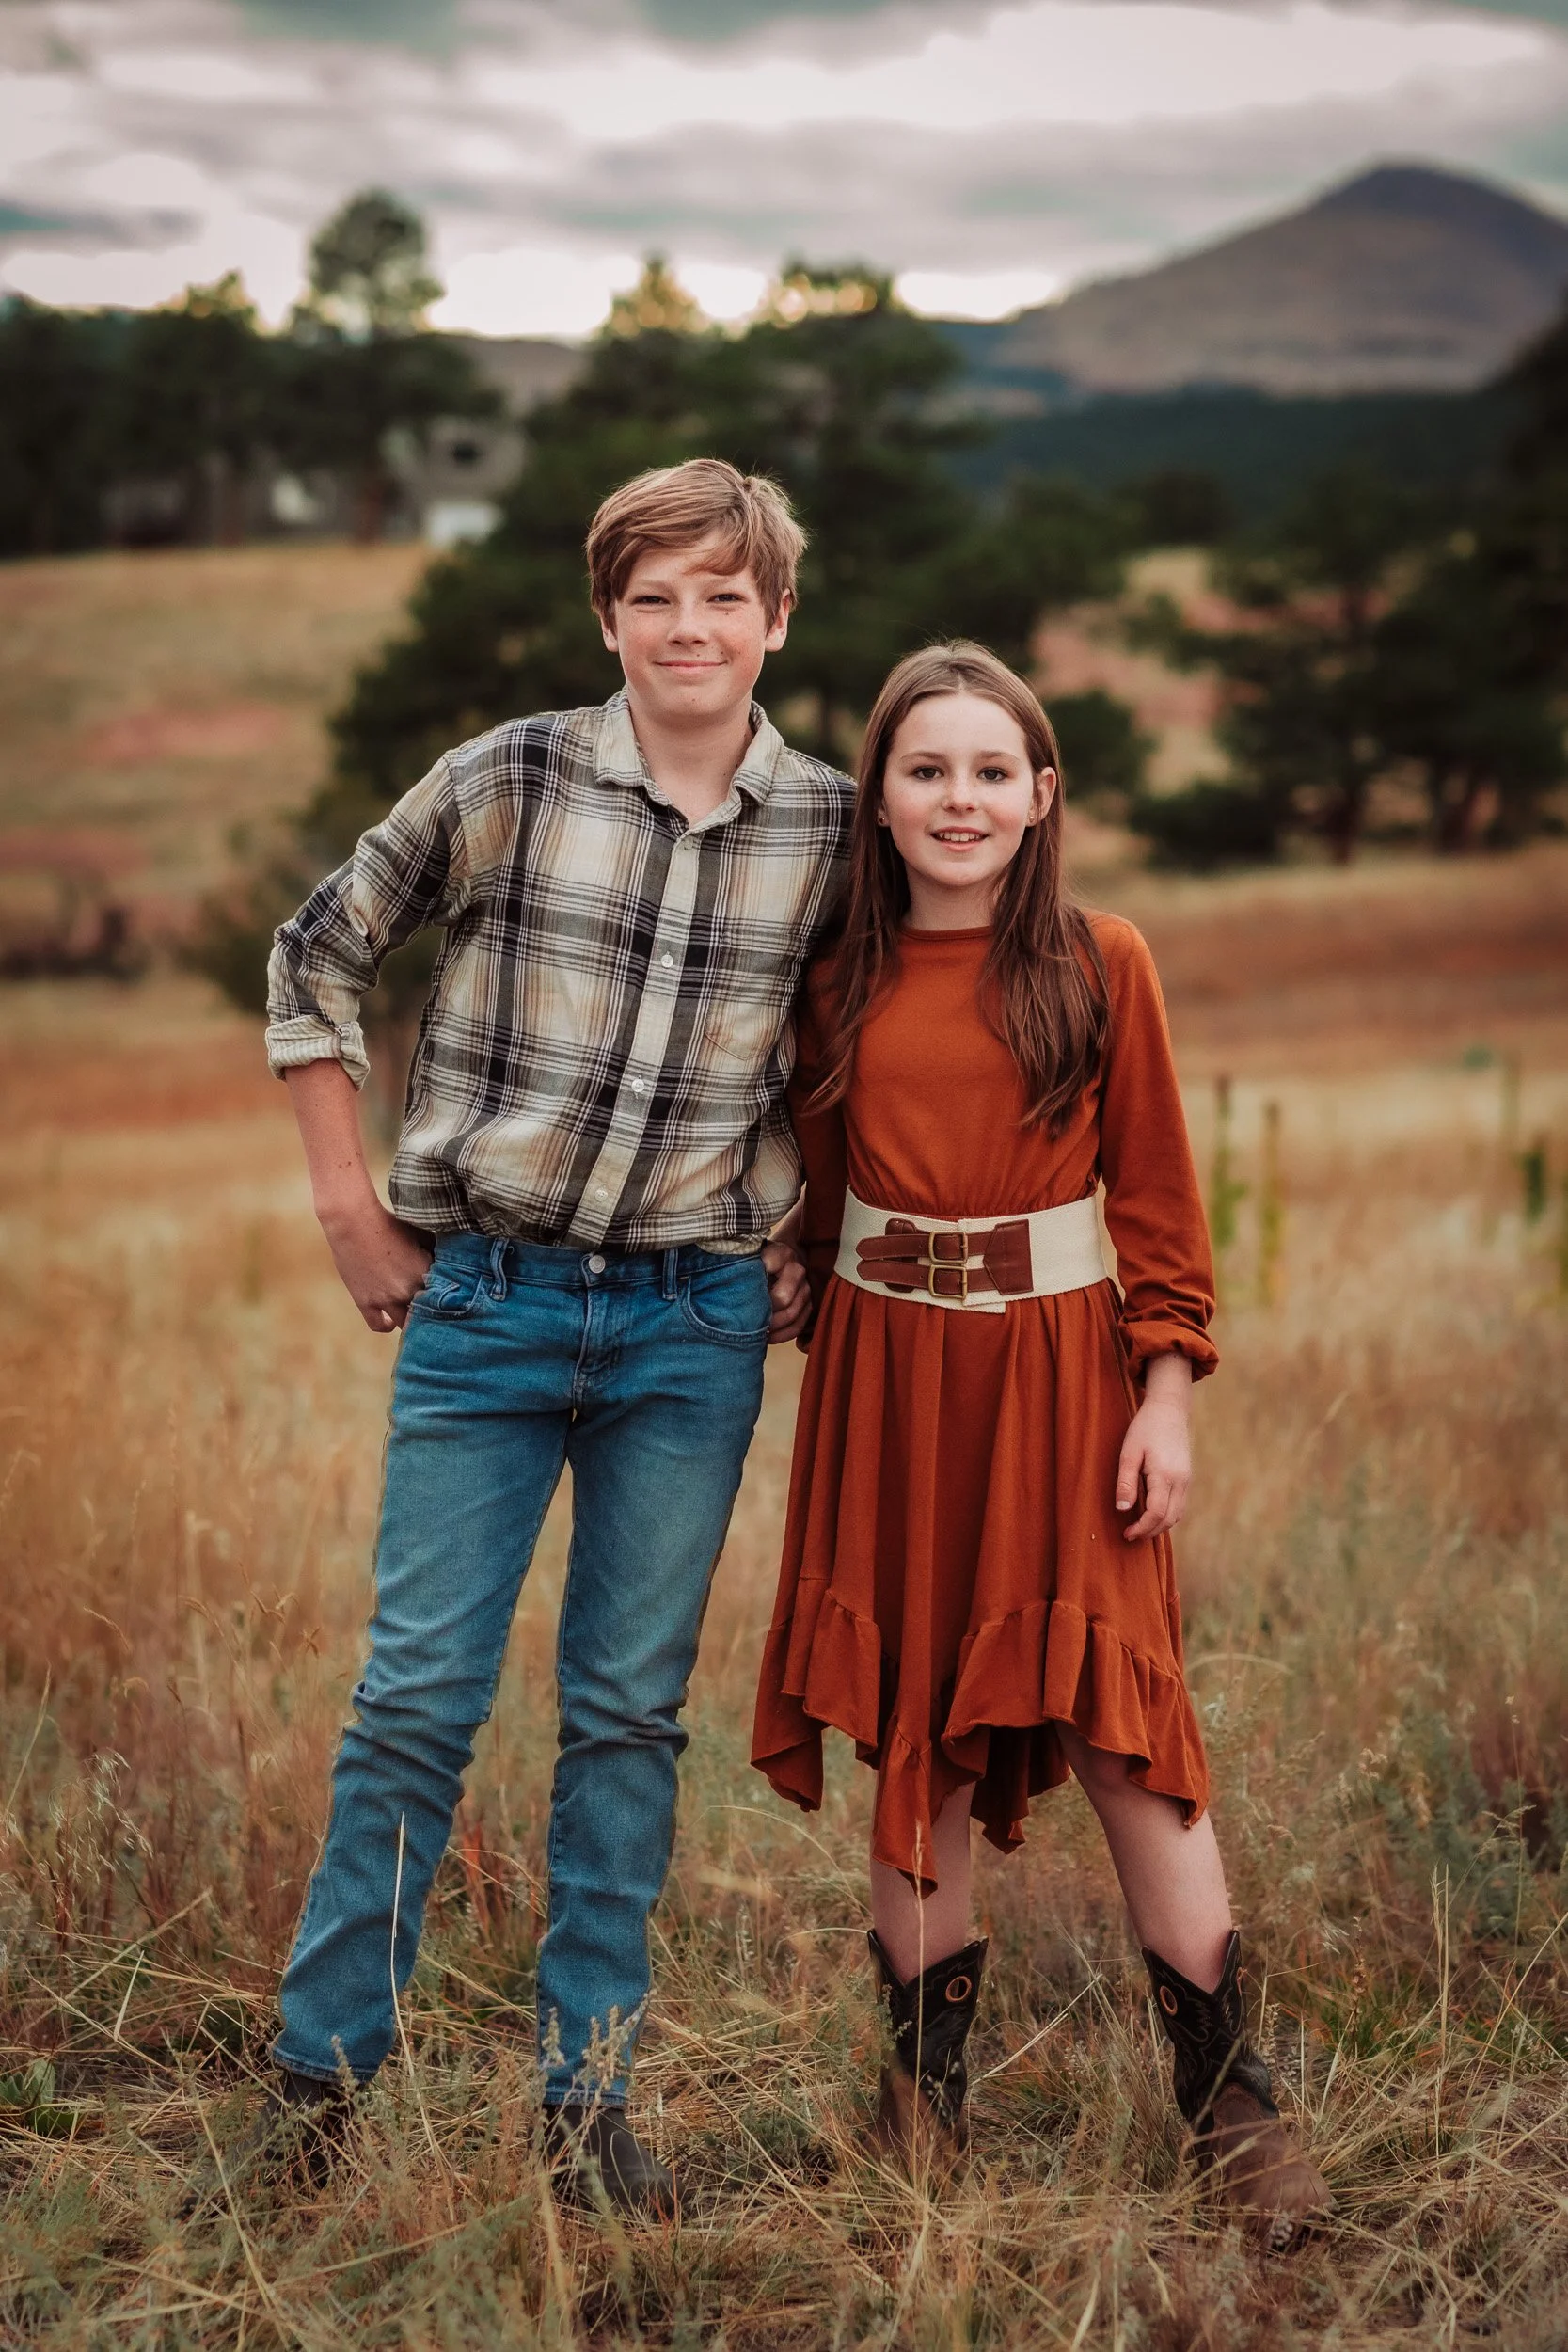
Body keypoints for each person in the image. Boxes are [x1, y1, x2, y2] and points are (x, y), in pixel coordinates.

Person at [257, 459, 851, 2218]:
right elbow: (314, 956)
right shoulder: (506, 777)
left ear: (776, 621)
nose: (689, 628)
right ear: (608, 614)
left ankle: (587, 2106)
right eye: (654, 596)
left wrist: (805, 1228)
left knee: (623, 1719)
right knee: (418, 1697)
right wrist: (351, 1206)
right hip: (489, 1306)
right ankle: (319, 2080)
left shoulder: (824, 824)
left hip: (690, 1326)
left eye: (722, 599)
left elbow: (848, 1049)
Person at [751, 643, 1329, 2249]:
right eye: (926, 770)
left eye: (991, 771)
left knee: (1120, 1728)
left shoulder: (1098, 959)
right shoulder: (830, 980)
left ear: (1041, 795)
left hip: (1063, 1385)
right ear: (875, 795)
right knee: (912, 1726)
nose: (959, 799)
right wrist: (787, 1260)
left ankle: (1231, 2107)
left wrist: (1165, 1392)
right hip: (886, 1380)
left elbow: (1153, 1199)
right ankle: (919, 2112)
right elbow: (800, 1184)